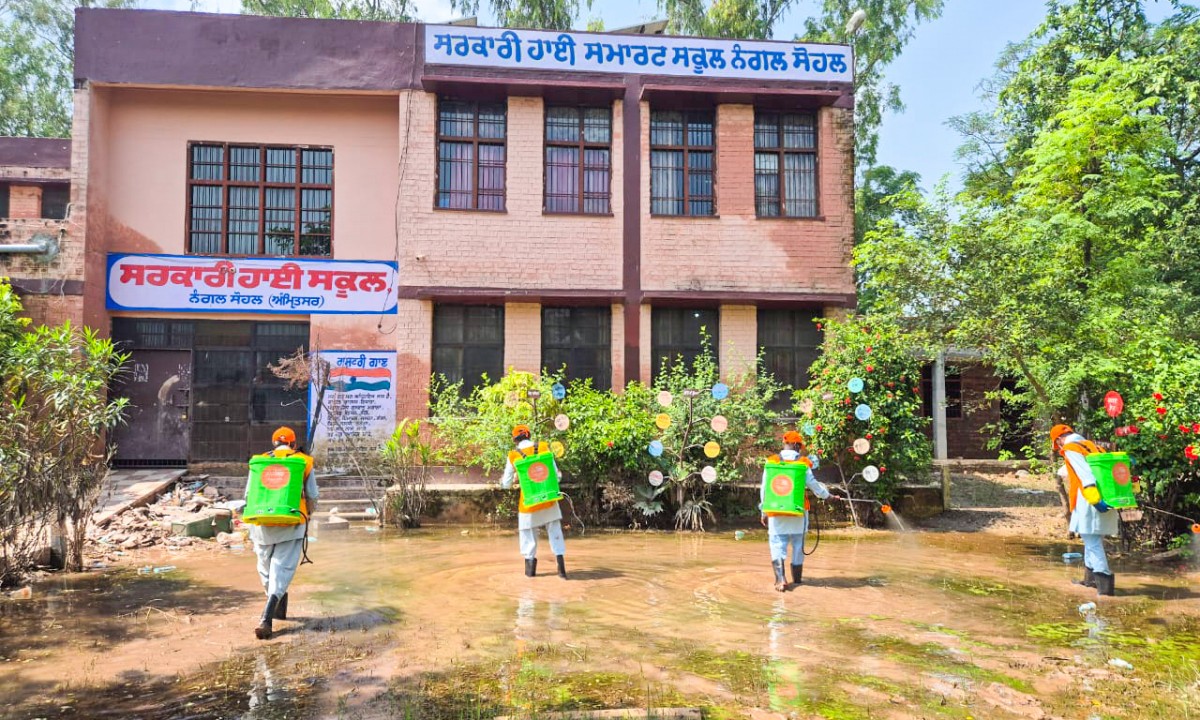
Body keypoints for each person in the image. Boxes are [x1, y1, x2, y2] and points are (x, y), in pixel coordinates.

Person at [244, 426, 319, 639]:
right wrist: (309, 514)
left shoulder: (259, 462)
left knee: (266, 570)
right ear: (293, 444)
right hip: (292, 521)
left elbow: (248, 494)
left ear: (274, 443)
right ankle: (266, 617)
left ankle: (276, 608)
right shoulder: (303, 462)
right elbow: (312, 495)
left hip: (261, 523)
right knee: (282, 568)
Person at [760, 431, 836, 591]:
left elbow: (765, 488)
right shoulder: (803, 463)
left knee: (777, 543)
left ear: (785, 443)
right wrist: (828, 496)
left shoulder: (771, 461)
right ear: (796, 445)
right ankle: (798, 580)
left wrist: (763, 511)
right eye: (800, 446)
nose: (800, 449)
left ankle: (781, 580)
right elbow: (814, 485)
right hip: (798, 512)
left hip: (776, 511)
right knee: (798, 544)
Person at [1051, 424, 1118, 596]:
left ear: (1059, 440)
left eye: (1057, 444)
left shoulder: (1071, 448)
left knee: (1092, 542)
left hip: (1089, 499)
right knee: (1092, 539)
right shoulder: (1092, 446)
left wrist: (1093, 498)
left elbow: (1085, 473)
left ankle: (1105, 588)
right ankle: (1090, 581)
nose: (1059, 447)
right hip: (1106, 497)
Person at [500, 424, 567, 579]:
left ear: (515, 440)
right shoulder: (543, 447)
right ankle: (562, 573)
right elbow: (557, 476)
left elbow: (506, 484)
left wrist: (509, 480)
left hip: (528, 504)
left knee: (528, 539)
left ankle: (530, 576)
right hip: (549, 500)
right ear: (529, 435)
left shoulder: (513, 455)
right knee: (555, 533)